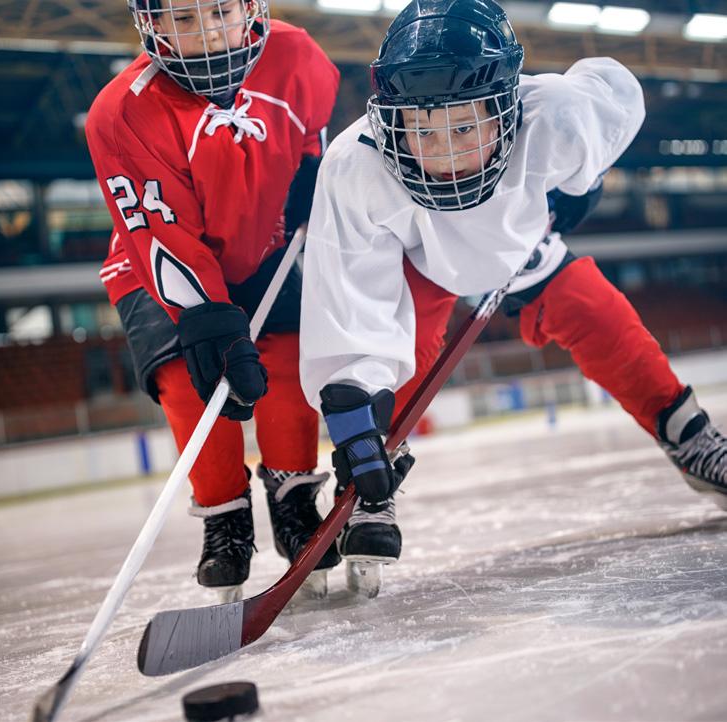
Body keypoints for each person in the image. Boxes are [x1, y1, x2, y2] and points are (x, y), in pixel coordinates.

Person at [299, 0, 727, 578]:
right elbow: (352, 308)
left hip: (517, 243)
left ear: (508, 109)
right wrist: (357, 430)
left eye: (464, 126)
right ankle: (370, 483)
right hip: (419, 259)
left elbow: (614, 97)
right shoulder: (355, 167)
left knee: (597, 312)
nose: (444, 151)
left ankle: (689, 436)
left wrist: (583, 177)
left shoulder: (557, 116)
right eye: (421, 128)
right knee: (399, 362)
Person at [86, 0, 341, 598]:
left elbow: (312, 137)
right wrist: (205, 317)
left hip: (260, 245)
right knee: (190, 378)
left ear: (249, 8)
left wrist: (313, 177)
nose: (202, 32)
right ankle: (224, 516)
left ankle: (293, 496)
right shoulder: (120, 112)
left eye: (218, 10)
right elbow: (159, 232)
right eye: (179, 17)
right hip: (159, 257)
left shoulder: (296, 55)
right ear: (150, 24)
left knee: (285, 361)